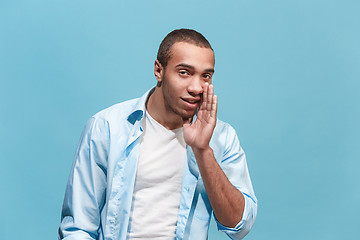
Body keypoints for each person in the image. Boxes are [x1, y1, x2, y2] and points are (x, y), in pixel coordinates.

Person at [59, 28, 257, 240]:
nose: (197, 87)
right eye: (184, 72)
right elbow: (77, 229)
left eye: (205, 76)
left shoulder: (222, 137)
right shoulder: (106, 127)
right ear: (158, 70)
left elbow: (239, 226)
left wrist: (202, 150)